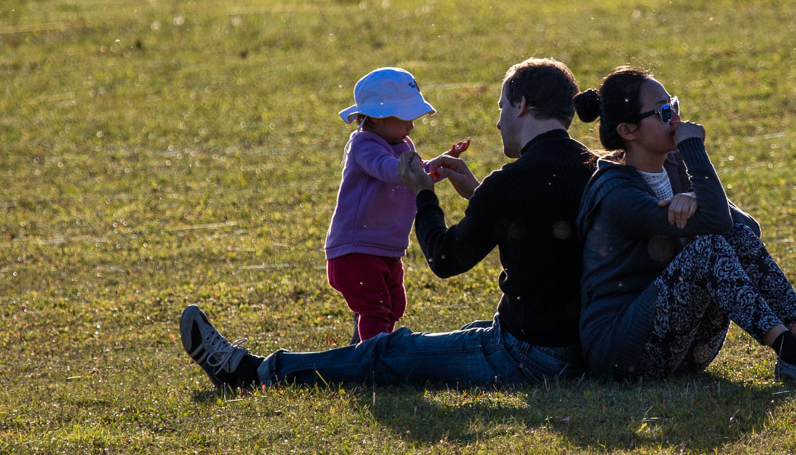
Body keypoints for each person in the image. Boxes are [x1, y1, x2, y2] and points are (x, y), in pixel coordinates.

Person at [180, 58, 596, 388]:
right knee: (446, 337)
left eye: (502, 107)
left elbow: (445, 258)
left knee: (389, 352)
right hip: (579, 347)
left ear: (521, 105)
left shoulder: (512, 181)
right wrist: (480, 194)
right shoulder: (594, 167)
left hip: (527, 355)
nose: (499, 121)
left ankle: (251, 372)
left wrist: (424, 194)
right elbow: (543, 219)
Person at [574, 66, 796, 383]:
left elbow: (746, 229)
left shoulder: (673, 166)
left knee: (734, 236)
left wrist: (694, 195)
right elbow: (715, 222)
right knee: (708, 249)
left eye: (674, 105)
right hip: (623, 355)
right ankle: (794, 356)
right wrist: (694, 150)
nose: (676, 120)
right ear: (628, 131)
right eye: (664, 113)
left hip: (682, 348)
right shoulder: (617, 192)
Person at [322, 66, 466, 341]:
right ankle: (374, 355)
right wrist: (415, 170)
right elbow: (388, 169)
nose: (411, 125)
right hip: (356, 249)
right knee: (376, 310)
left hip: (386, 247)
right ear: (378, 117)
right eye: (405, 118)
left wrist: (438, 165)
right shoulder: (364, 145)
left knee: (394, 305)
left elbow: (413, 174)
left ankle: (364, 348)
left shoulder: (403, 142)